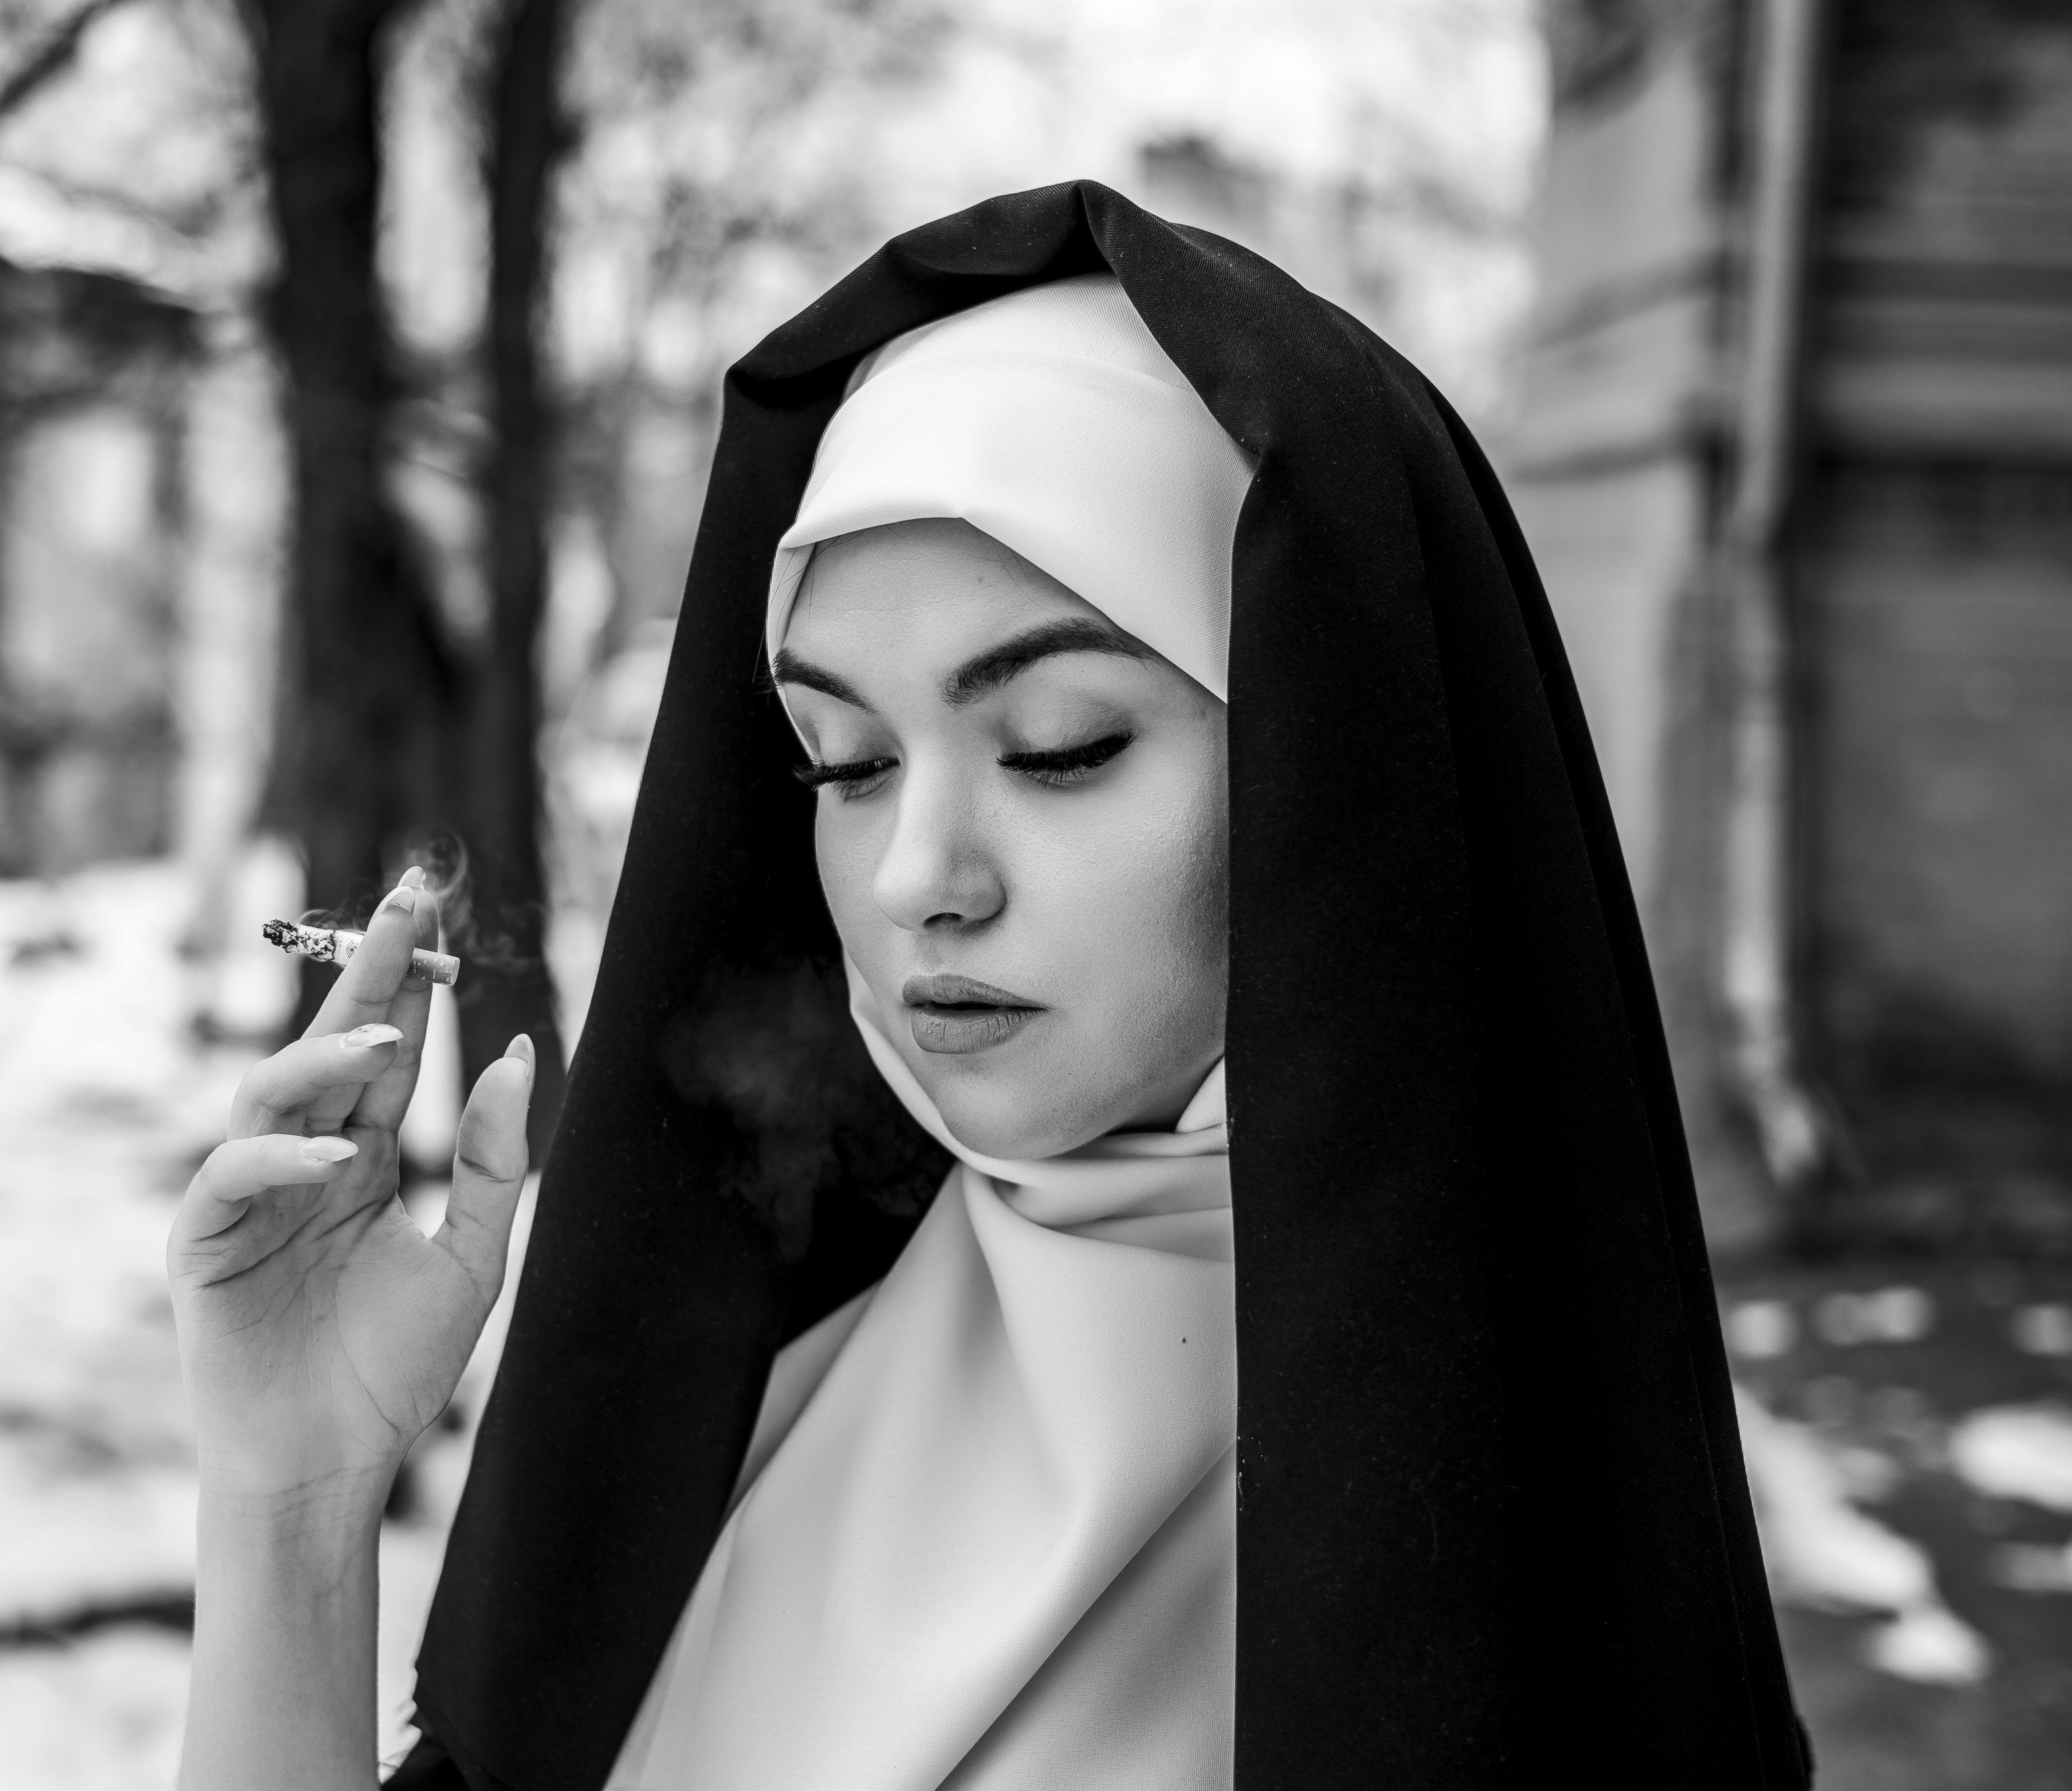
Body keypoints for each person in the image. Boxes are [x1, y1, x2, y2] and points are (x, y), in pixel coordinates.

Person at [169, 183, 1813, 1791]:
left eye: (1061, 747)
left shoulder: (1526, 1552)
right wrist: (290, 1507)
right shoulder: (730, 1419)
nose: (915, 879)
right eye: (846, 762)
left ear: (1329, 772)